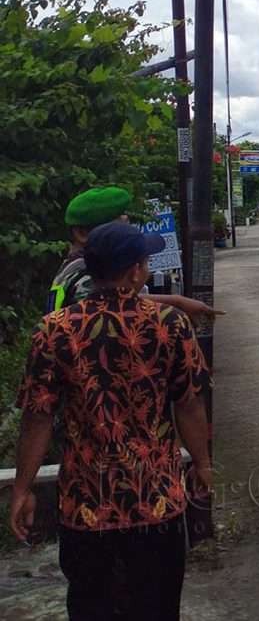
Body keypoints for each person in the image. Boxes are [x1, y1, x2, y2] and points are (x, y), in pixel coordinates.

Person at [9, 222, 212, 621]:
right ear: (135, 270)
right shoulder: (168, 324)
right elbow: (188, 405)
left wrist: (22, 488)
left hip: (86, 504)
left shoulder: (54, 330)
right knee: (156, 607)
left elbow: (37, 418)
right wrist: (203, 464)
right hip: (155, 502)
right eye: (145, 262)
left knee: (92, 607)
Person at [49, 186, 222, 321]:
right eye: (117, 230)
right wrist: (175, 303)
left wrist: (176, 301)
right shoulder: (83, 275)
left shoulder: (73, 269)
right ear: (82, 234)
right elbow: (107, 306)